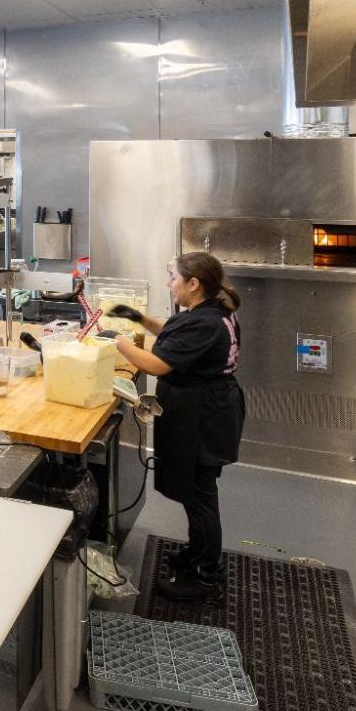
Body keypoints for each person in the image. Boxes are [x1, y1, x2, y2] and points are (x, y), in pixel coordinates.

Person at [110, 252, 246, 602]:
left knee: (201, 497)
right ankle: (196, 553)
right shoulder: (211, 311)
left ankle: (206, 577)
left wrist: (117, 341)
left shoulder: (206, 323)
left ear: (193, 283)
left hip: (204, 419)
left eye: (174, 278)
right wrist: (136, 317)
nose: (170, 284)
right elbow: (172, 333)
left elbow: (156, 365)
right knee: (195, 492)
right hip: (206, 412)